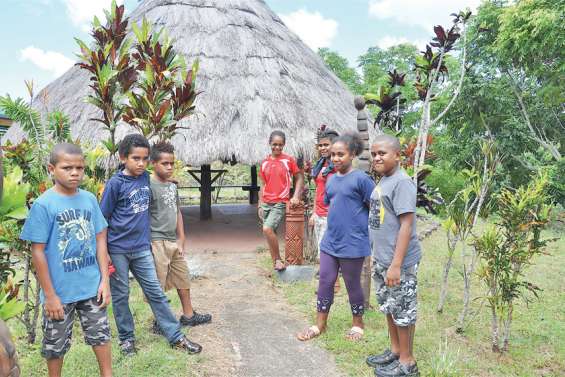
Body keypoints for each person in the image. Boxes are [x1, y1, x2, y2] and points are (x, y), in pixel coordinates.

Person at [99, 134, 201, 356]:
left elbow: (161, 179)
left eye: (145, 159)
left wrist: (172, 181)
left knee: (155, 291)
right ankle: (127, 340)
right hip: (117, 249)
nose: (141, 163)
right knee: (121, 295)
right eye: (136, 158)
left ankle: (175, 336)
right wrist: (104, 252)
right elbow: (102, 219)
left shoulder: (146, 178)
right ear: (123, 157)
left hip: (142, 247)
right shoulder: (115, 184)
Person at [20, 143, 112, 377]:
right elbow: (37, 251)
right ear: (51, 169)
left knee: (101, 335)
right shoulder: (44, 205)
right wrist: (50, 296)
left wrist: (105, 281)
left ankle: (107, 374)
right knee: (55, 345)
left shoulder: (90, 199)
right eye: (67, 167)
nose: (75, 173)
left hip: (91, 287)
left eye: (80, 168)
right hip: (59, 292)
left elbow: (101, 237)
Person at [297, 132, 375, 342]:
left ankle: (358, 324)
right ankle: (319, 324)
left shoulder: (362, 179)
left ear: (353, 155)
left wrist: (370, 237)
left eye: (341, 154)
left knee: (352, 284)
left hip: (353, 243)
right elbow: (331, 204)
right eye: (333, 155)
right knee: (325, 281)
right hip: (330, 241)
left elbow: (375, 209)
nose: (335, 158)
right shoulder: (330, 181)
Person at [366, 134, 421, 377]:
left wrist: (396, 265)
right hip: (383, 259)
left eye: (382, 153)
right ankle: (396, 351)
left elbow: (406, 226)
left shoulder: (401, 182)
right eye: (374, 153)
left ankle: (408, 363)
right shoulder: (384, 180)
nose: (377, 157)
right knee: (389, 305)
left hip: (399, 262)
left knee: (403, 309)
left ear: (397, 156)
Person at [149, 142, 211, 329]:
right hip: (155, 240)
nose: (169, 167)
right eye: (164, 163)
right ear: (153, 163)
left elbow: (177, 212)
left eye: (172, 164)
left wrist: (181, 237)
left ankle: (188, 315)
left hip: (172, 240)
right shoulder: (148, 186)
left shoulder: (172, 186)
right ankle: (159, 321)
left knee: (183, 276)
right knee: (157, 283)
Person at [258, 130, 305, 271]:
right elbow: (263, 184)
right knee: (271, 232)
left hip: (280, 202)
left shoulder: (288, 160)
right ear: (269, 144)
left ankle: (278, 260)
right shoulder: (264, 162)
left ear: (284, 145)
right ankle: (275, 263)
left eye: (280, 145)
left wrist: (296, 196)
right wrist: (260, 204)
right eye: (274, 144)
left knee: (267, 229)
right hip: (266, 202)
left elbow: (300, 178)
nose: (277, 147)